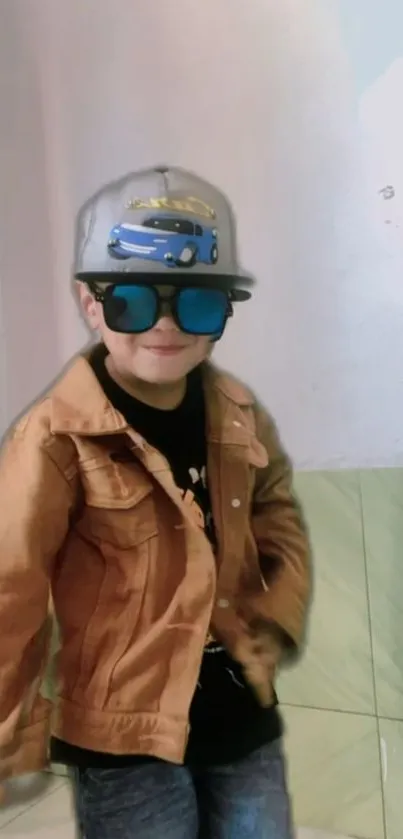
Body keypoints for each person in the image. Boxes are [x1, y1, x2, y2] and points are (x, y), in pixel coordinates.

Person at [0, 166, 311, 838]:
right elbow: (10, 589)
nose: (165, 324)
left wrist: (273, 614)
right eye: (134, 301)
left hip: (240, 712)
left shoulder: (236, 411)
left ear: (224, 310)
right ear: (92, 304)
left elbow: (276, 510)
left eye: (197, 302)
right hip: (123, 738)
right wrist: (9, 736)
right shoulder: (54, 436)